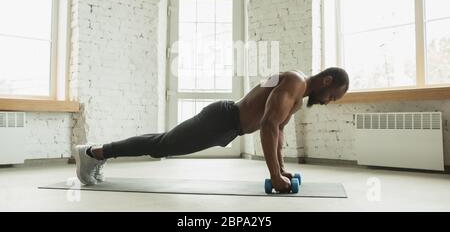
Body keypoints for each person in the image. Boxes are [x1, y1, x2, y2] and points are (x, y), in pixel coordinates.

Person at [75, 67, 349, 193]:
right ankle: (93, 153)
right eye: (332, 96)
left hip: (227, 127)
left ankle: (97, 153)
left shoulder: (297, 97)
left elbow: (278, 132)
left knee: (162, 144)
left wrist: (282, 168)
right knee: (161, 146)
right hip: (222, 119)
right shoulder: (294, 81)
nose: (328, 102)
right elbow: (267, 126)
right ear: (327, 81)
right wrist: (274, 176)